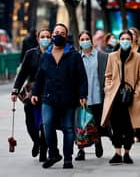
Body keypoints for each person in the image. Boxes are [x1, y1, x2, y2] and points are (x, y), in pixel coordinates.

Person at [31, 23, 88, 169]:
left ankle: (68, 158)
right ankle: (54, 153)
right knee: (47, 125)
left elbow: (82, 77)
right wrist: (35, 93)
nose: (58, 35)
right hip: (49, 98)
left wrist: (83, 95)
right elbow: (40, 77)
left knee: (68, 128)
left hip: (68, 98)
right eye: (56, 32)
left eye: (62, 33)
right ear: (52, 35)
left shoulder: (74, 55)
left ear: (66, 36)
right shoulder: (46, 55)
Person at [101, 29, 140, 164]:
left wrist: (137, 93)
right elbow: (108, 76)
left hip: (131, 98)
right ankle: (117, 153)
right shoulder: (112, 56)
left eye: (127, 39)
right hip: (115, 97)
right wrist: (108, 89)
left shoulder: (138, 57)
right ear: (119, 41)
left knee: (128, 127)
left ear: (132, 41)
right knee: (115, 126)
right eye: (122, 39)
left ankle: (127, 153)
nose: (125, 41)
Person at [11, 28, 51, 162]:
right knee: (31, 123)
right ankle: (37, 142)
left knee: (45, 123)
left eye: (48, 36)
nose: (45, 39)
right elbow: (22, 73)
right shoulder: (30, 54)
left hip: (48, 93)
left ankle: (44, 150)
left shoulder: (54, 54)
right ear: (38, 39)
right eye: (42, 36)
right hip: (31, 93)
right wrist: (15, 90)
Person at [75, 30, 109, 161]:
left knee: (97, 123)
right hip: (82, 97)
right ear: (79, 42)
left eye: (86, 39)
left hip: (98, 96)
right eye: (82, 39)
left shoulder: (101, 56)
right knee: (80, 124)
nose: (85, 42)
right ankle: (81, 150)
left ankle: (97, 143)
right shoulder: (76, 57)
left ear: (91, 40)